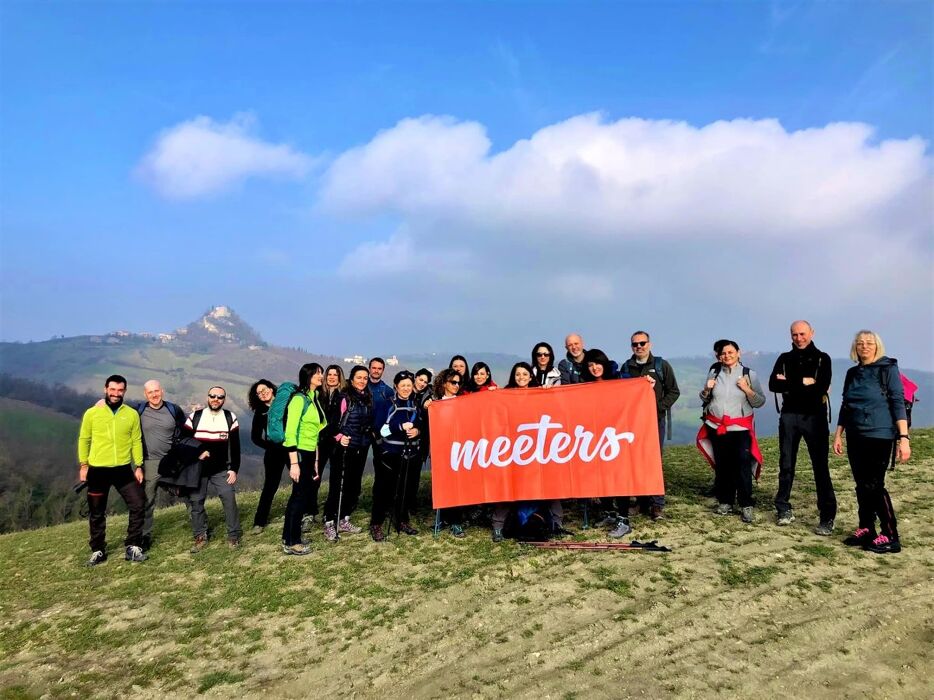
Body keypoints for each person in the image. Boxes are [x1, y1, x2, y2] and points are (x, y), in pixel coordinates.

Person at [833, 330, 910, 554]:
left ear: (877, 346)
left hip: (880, 434)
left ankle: (890, 535)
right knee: (861, 484)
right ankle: (866, 528)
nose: (864, 346)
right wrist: (838, 434)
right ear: (855, 347)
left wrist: (903, 438)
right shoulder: (852, 373)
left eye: (869, 343)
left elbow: (898, 402)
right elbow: (846, 405)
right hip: (855, 434)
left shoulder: (888, 369)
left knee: (874, 485)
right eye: (860, 343)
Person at [769, 321, 837, 535]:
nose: (798, 338)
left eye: (802, 334)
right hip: (789, 416)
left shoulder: (822, 358)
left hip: (815, 418)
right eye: (794, 334)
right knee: (786, 463)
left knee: (820, 467)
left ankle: (827, 517)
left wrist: (789, 382)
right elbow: (773, 385)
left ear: (812, 333)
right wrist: (804, 382)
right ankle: (783, 508)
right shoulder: (784, 358)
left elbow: (821, 388)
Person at [77, 375, 146, 566]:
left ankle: (133, 546)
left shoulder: (131, 414)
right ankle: (98, 550)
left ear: (124, 391)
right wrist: (84, 465)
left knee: (139, 503)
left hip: (123, 469)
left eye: (120, 390)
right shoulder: (92, 413)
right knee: (97, 512)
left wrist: (138, 465)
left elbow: (136, 440)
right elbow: (84, 439)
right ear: (106, 389)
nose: (116, 394)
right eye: (112, 390)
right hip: (97, 470)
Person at [492, 362, 564, 542]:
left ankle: (557, 523)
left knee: (548, 486)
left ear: (530, 376)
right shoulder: (506, 394)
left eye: (525, 374)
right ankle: (498, 526)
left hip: (537, 448)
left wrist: (549, 392)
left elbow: (555, 408)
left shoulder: (538, 394)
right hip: (512, 448)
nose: (521, 377)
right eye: (518, 374)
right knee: (508, 487)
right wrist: (492, 396)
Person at [699, 340, 766, 523]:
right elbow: (705, 397)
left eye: (730, 352)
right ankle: (725, 501)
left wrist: (746, 389)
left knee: (742, 463)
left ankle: (746, 504)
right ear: (719, 356)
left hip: (739, 428)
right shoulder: (715, 372)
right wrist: (706, 389)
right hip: (717, 426)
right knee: (723, 464)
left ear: (738, 353)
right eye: (723, 353)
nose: (727, 356)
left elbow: (760, 402)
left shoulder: (749, 374)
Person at [619, 331, 680, 520]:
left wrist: (657, 407)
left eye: (642, 343)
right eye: (635, 344)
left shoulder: (661, 365)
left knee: (653, 461)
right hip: (633, 423)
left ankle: (657, 505)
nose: (639, 347)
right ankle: (641, 501)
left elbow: (673, 391)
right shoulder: (626, 367)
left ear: (650, 344)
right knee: (636, 461)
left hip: (655, 421)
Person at [184, 386, 242, 551]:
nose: (216, 399)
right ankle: (200, 536)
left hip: (221, 469)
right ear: (207, 397)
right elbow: (183, 441)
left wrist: (234, 469)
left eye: (220, 397)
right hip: (197, 469)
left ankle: (233, 535)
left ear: (224, 399)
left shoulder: (230, 417)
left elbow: (235, 447)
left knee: (229, 498)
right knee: (196, 503)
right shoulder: (195, 417)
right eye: (213, 396)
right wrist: (198, 452)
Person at [581, 350, 631, 538]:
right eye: (590, 365)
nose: (594, 368)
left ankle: (623, 519)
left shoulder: (618, 380)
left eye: (597, 363)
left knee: (619, 477)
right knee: (601, 476)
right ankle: (609, 512)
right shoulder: (585, 386)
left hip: (615, 436)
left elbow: (634, 390)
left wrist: (645, 383)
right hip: (595, 437)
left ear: (604, 363)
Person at [370, 370, 423, 541]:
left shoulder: (415, 405)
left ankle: (402, 520)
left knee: (405, 489)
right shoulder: (387, 405)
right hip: (390, 453)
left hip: (410, 453)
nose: (406, 388)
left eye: (409, 385)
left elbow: (421, 425)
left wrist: (417, 431)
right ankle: (376, 524)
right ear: (396, 386)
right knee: (384, 490)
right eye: (403, 385)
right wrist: (399, 427)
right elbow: (380, 430)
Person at [136, 379, 188, 550]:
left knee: (187, 493)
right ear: (145, 394)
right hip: (149, 462)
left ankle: (199, 528)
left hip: (172, 461)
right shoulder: (139, 411)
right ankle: (145, 536)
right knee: (148, 501)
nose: (154, 395)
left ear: (162, 391)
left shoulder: (174, 410)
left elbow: (186, 431)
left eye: (156, 391)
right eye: (150, 392)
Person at [281, 363, 327, 555]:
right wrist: (294, 464)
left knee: (301, 495)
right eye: (318, 373)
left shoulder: (314, 397)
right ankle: (292, 542)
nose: (321, 376)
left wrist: (315, 460)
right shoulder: (299, 400)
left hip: (308, 453)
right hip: (297, 453)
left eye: (321, 373)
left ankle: (290, 536)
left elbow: (314, 431)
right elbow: (290, 433)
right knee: (298, 497)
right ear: (308, 376)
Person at [322, 366, 371, 541]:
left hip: (360, 447)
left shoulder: (366, 398)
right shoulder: (344, 397)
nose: (362, 380)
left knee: (352, 486)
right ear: (351, 378)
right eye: (359, 377)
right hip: (343, 449)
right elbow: (332, 424)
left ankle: (343, 519)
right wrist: (339, 437)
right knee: (338, 486)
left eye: (365, 378)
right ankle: (329, 522)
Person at [304, 364, 344, 529]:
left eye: (336, 374)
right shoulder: (318, 394)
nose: (332, 377)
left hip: (337, 441)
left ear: (340, 377)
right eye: (329, 374)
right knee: (315, 477)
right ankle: (309, 512)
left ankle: (331, 512)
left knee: (336, 479)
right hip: (319, 442)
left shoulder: (344, 396)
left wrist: (339, 435)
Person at [248, 379, 289, 535]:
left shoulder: (285, 405)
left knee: (300, 480)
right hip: (273, 452)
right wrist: (271, 446)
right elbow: (255, 437)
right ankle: (259, 521)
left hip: (292, 448)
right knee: (270, 486)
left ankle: (306, 512)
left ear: (272, 389)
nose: (262, 393)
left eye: (264, 389)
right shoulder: (260, 412)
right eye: (259, 393)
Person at [433, 368, 466, 538]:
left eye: (459, 383)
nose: (456, 385)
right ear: (444, 383)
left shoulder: (463, 402)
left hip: (459, 450)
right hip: (442, 449)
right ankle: (443, 517)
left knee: (457, 486)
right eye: (453, 382)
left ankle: (456, 521)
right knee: (443, 484)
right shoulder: (436, 403)